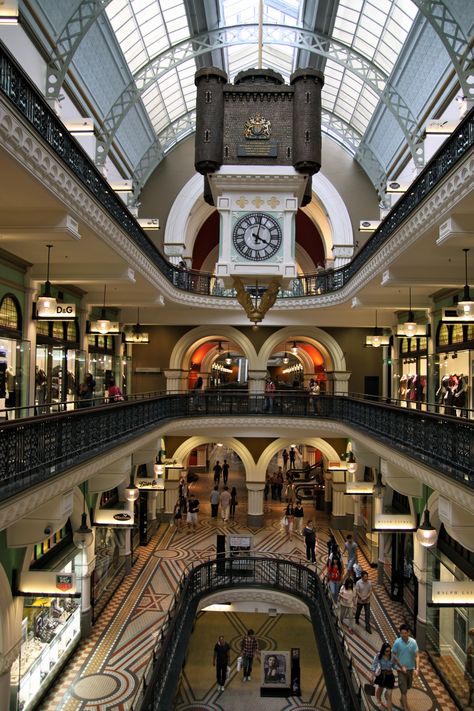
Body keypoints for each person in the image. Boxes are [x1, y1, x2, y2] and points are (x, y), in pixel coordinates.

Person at [392, 624, 420, 711]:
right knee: (403, 689)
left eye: (405, 633)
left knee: (407, 687)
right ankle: (405, 708)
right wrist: (400, 666)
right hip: (400, 670)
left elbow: (417, 656)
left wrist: (417, 668)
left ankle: (402, 698)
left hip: (410, 669)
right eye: (401, 633)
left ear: (408, 633)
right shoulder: (397, 642)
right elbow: (394, 655)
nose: (403, 635)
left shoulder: (413, 642)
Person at [371, 642, 397, 710]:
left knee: (389, 695)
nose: (388, 652)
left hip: (389, 676)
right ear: (383, 650)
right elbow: (374, 664)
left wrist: (400, 669)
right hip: (382, 676)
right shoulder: (379, 655)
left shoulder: (392, 656)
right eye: (386, 651)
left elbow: (394, 666)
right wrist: (373, 674)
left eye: (389, 650)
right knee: (380, 690)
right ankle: (378, 700)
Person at [465, 627, 474, 708]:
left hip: (472, 666)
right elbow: (468, 653)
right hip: (470, 666)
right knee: (470, 684)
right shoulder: (471, 644)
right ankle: (470, 697)